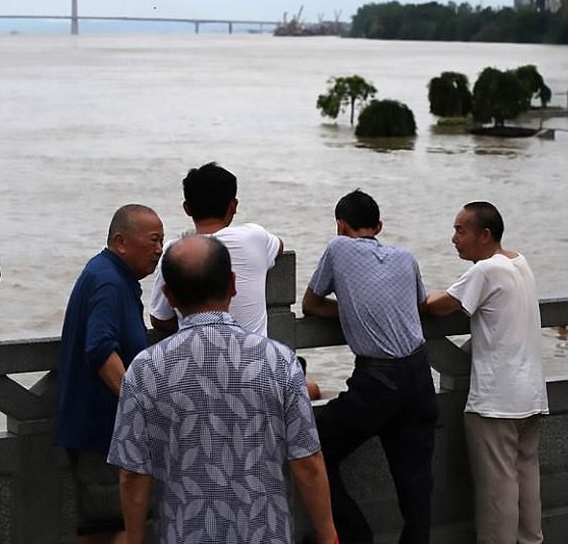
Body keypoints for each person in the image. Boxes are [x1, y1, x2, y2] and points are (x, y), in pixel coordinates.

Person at [108, 235, 337, 544]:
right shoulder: (278, 360)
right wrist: (328, 536)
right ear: (232, 284)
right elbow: (308, 462)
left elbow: (133, 474)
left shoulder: (145, 369)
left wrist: (134, 539)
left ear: (169, 296)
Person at [302, 190, 437, 544]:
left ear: (340, 226)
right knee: (416, 482)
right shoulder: (405, 256)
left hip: (377, 381)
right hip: (420, 377)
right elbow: (419, 304)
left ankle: (353, 535)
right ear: (379, 226)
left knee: (310, 443)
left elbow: (311, 304)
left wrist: (347, 311)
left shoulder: (338, 247)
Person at [425, 201, 548, 544]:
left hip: (496, 400)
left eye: (460, 231)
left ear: (485, 235)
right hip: (530, 394)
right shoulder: (518, 261)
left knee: (497, 492)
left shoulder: (486, 270)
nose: (454, 238)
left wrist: (416, 296)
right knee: (526, 479)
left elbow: (439, 305)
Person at [54, 204, 164, 544]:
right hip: (99, 430)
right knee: (113, 529)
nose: (160, 250)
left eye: (162, 241)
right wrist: (137, 406)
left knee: (110, 528)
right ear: (120, 242)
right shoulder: (107, 281)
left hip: (102, 429)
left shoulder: (112, 275)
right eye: (153, 240)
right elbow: (100, 347)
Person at [149, 162, 283, 337]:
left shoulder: (174, 252)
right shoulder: (255, 236)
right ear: (233, 205)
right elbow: (279, 245)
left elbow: (159, 317)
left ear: (187, 208)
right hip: (256, 357)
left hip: (196, 356)